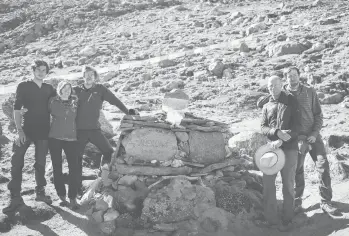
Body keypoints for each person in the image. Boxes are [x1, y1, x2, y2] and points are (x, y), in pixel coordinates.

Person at [256, 67, 340, 216]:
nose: (292, 78)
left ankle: (326, 201)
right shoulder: (283, 94)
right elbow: (267, 100)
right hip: (296, 138)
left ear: (299, 76)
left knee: (323, 165)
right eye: (289, 76)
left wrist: (314, 133)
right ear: (285, 79)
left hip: (313, 135)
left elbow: (318, 115)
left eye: (295, 75)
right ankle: (297, 202)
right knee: (297, 170)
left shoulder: (309, 92)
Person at [73, 66, 137, 194]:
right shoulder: (76, 90)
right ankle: (76, 186)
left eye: (92, 74)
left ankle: (102, 176)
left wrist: (127, 111)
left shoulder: (100, 89)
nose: (89, 76)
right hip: (79, 131)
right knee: (76, 158)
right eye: (87, 74)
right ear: (83, 76)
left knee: (108, 152)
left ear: (95, 76)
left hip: (94, 130)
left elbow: (114, 100)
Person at [3, 60, 56, 214]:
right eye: (38, 69)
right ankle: (15, 197)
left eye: (44, 70)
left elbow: (57, 103)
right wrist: (19, 131)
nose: (41, 72)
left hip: (44, 131)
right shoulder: (24, 86)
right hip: (26, 130)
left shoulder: (49, 88)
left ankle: (40, 192)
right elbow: (17, 109)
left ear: (47, 72)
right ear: (33, 70)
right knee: (16, 160)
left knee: (40, 163)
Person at [256, 75, 300, 231]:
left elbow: (298, 127)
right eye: (269, 85)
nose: (271, 88)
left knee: (288, 184)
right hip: (272, 149)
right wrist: (276, 132)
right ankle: (271, 220)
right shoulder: (266, 105)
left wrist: (283, 139)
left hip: (289, 149)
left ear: (282, 85)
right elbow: (263, 127)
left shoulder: (292, 101)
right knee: (268, 184)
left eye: (275, 85)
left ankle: (288, 218)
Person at [48, 81, 79, 209]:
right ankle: (61, 196)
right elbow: (45, 115)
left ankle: (73, 198)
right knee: (57, 167)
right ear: (59, 89)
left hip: (71, 138)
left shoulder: (75, 101)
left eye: (69, 88)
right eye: (64, 88)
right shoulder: (52, 101)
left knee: (74, 168)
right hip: (54, 137)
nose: (67, 90)